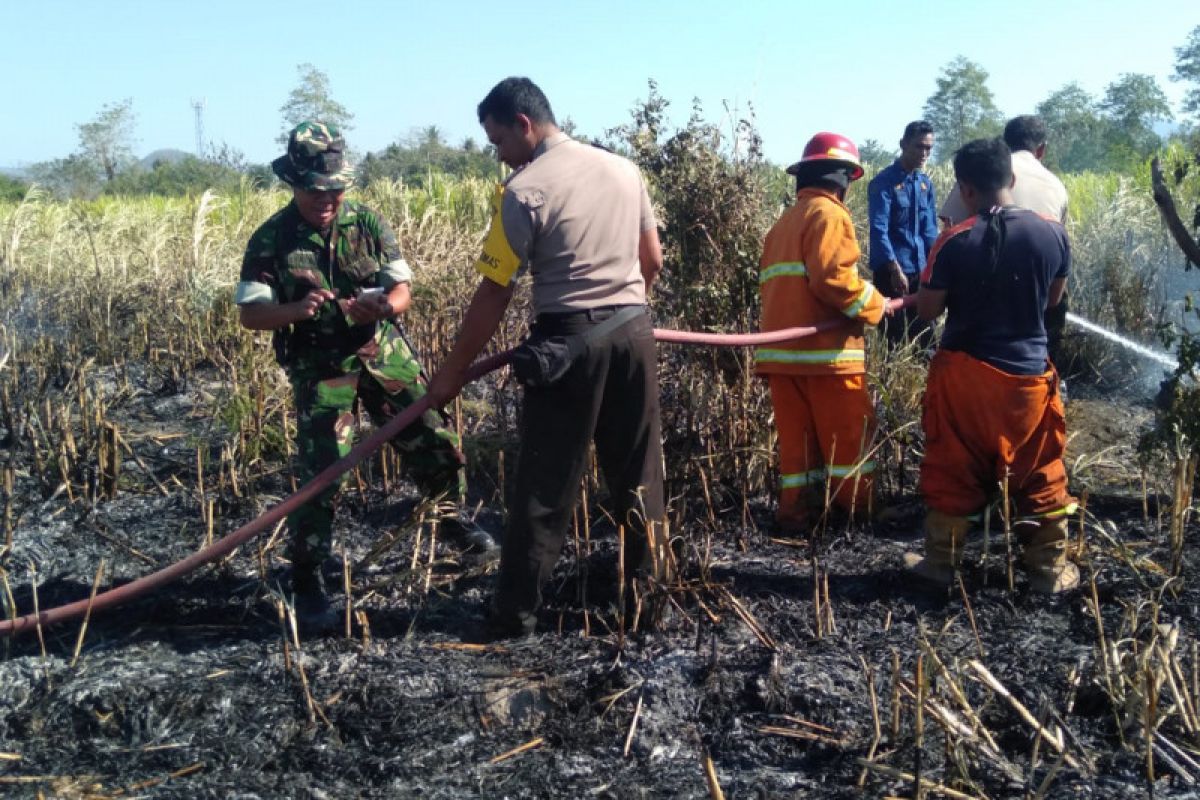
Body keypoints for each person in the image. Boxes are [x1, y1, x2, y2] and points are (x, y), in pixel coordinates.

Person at [428, 77, 666, 638]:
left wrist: (452, 374)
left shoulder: (523, 191)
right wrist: (621, 320)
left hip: (567, 346)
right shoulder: (624, 170)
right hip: (635, 331)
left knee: (544, 486)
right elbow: (650, 259)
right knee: (640, 475)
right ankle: (647, 603)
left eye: (498, 141)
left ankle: (514, 616)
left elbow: (494, 292)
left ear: (524, 125)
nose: (499, 155)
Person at [236, 121, 496, 630]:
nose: (328, 199)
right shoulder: (271, 238)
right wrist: (296, 310)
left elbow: (403, 290)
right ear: (295, 183)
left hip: (384, 353)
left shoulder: (369, 224)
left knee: (433, 437)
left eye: (336, 189)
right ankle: (309, 574)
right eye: (317, 190)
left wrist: (381, 306)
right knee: (323, 468)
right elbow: (251, 315)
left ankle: (451, 524)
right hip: (321, 367)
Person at [906, 137, 1079, 594]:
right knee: (1040, 467)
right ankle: (1046, 570)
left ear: (965, 189)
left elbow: (926, 311)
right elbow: (1052, 301)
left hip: (964, 378)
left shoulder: (952, 241)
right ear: (1013, 179)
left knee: (953, 464)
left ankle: (940, 564)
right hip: (1027, 378)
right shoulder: (1052, 234)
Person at [756, 132, 888, 533]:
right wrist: (875, 305)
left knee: (800, 452)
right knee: (848, 444)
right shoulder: (829, 216)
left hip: (783, 358)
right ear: (844, 178)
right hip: (826, 358)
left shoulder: (784, 223)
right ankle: (854, 516)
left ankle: (798, 516)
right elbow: (832, 279)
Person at [939, 115, 1071, 390]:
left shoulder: (979, 172)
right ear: (1041, 150)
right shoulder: (1056, 187)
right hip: (1030, 338)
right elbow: (1054, 292)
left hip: (974, 347)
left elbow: (949, 227)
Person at [868, 121, 939, 350]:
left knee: (926, 340)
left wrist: (935, 266)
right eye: (919, 146)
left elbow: (930, 232)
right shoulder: (883, 183)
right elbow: (879, 229)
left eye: (929, 148)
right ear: (903, 144)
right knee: (893, 341)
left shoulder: (924, 185)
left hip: (919, 272)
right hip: (892, 273)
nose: (924, 153)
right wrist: (894, 268)